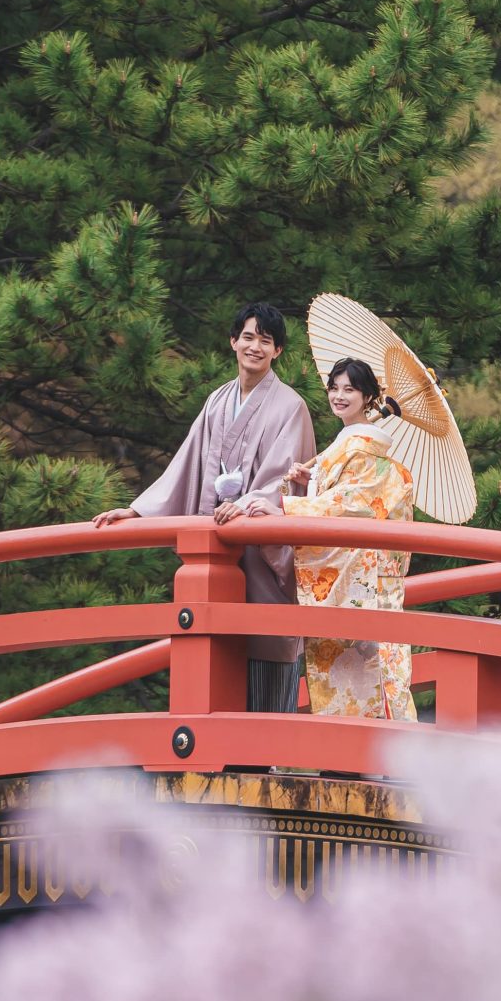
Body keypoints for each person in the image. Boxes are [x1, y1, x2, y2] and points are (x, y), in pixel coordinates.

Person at [93, 302, 316, 714]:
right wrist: (138, 511)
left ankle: (263, 759)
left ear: (278, 351)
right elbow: (187, 463)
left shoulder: (290, 406)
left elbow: (284, 479)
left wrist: (250, 504)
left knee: (267, 644)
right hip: (218, 546)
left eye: (265, 341)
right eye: (247, 337)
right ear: (233, 342)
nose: (255, 347)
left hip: (258, 551)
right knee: (217, 654)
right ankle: (226, 757)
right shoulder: (218, 400)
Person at [222, 358, 417, 721]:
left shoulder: (365, 454)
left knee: (369, 668)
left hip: (360, 583)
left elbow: (347, 505)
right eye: (334, 388)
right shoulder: (348, 446)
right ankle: (355, 755)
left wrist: (285, 503)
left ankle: (370, 757)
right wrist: (309, 479)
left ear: (369, 397)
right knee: (349, 669)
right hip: (350, 579)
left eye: (350, 390)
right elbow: (332, 496)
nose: (339, 396)